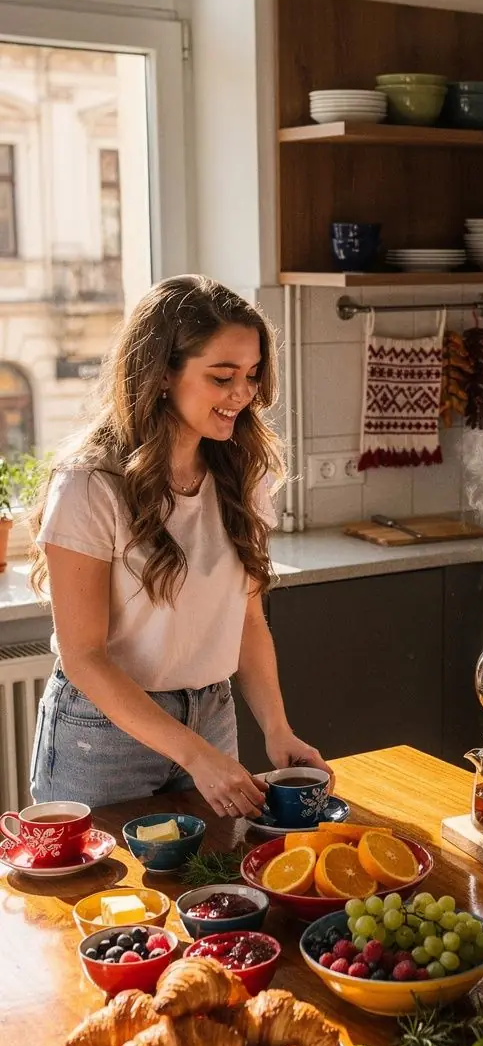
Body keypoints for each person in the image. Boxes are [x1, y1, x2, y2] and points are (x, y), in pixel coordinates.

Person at [29, 275, 328, 819]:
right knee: (104, 902)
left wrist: (278, 729)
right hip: (106, 734)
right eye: (222, 377)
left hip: (212, 713)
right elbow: (84, 657)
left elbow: (247, 621)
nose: (244, 394)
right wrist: (196, 756)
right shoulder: (90, 484)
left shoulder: (245, 475)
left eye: (253, 375)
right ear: (162, 373)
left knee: (214, 890)